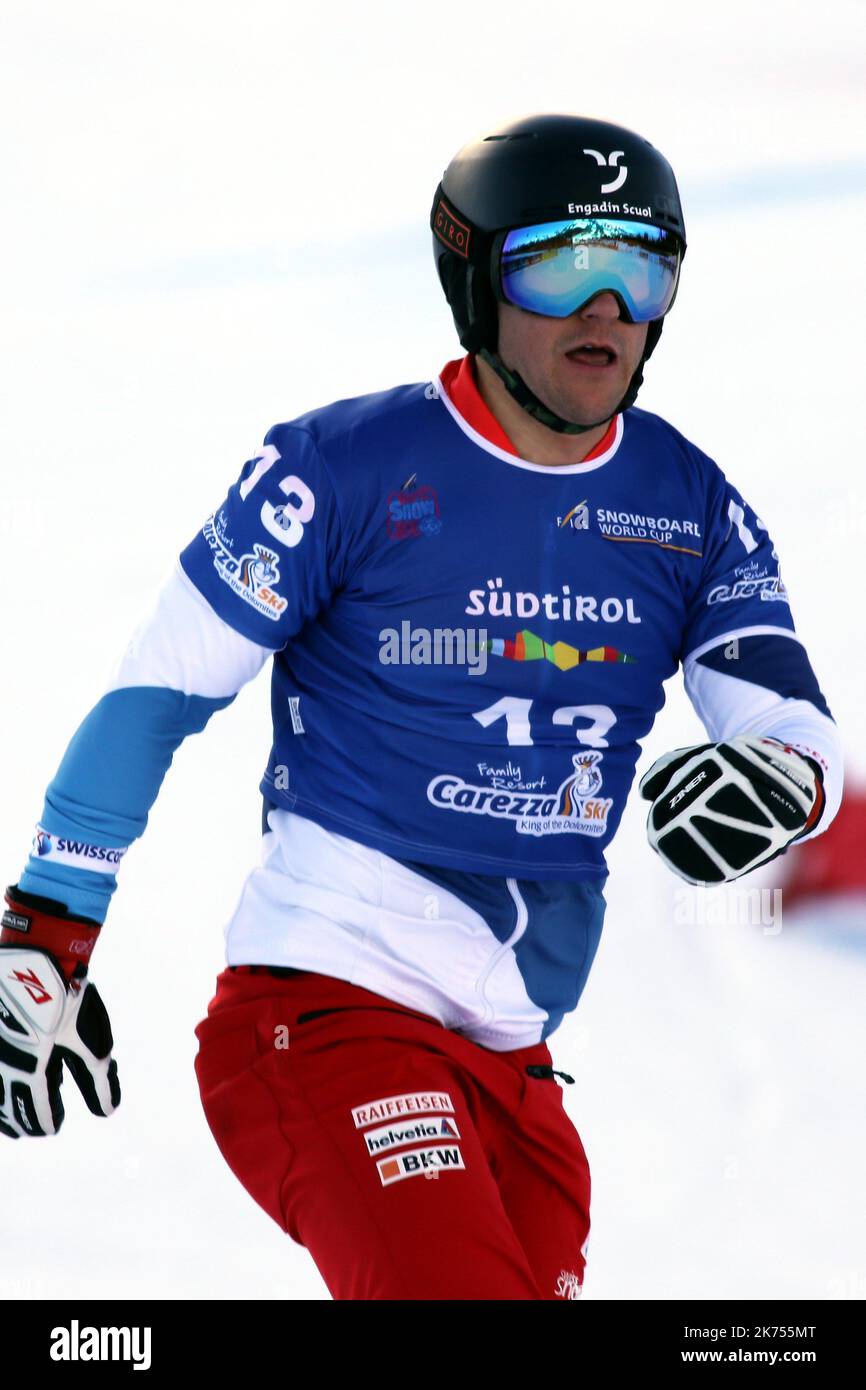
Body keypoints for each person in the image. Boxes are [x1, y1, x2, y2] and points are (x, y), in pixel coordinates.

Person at [0, 113, 843, 1300]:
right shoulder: (339, 469)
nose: (604, 307)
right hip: (324, 1013)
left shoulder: (688, 503)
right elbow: (158, 691)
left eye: (640, 268)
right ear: (476, 279)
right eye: (560, 265)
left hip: (513, 1060)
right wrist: (50, 923)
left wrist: (780, 783)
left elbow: (786, 718)